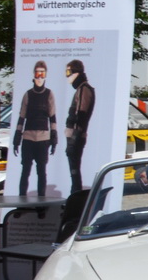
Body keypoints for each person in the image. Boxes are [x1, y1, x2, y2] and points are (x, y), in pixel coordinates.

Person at [13, 60, 58, 197]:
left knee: (41, 171)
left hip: (43, 138)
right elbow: (21, 117)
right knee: (25, 170)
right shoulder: (28, 94)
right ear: (33, 75)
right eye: (37, 74)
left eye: (42, 74)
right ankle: (21, 201)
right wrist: (17, 138)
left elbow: (52, 117)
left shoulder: (49, 94)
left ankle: (41, 204)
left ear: (45, 76)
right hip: (28, 138)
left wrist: (54, 138)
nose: (39, 77)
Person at [62, 59, 95, 197]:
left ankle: (76, 197)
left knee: (75, 170)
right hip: (75, 135)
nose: (67, 76)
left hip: (77, 135)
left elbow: (80, 116)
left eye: (69, 72)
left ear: (77, 72)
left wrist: (74, 138)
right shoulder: (81, 89)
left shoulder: (83, 90)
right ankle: (75, 196)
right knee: (73, 170)